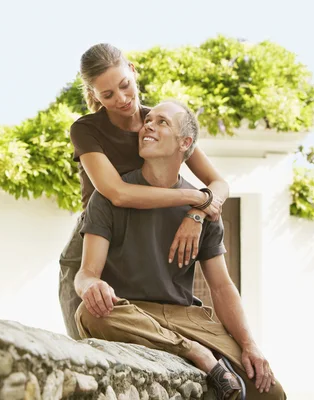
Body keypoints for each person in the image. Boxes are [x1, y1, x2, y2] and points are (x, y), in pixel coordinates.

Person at [74, 100, 285, 400]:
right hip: (130, 313)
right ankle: (195, 353)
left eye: (162, 122)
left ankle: (196, 346)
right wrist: (92, 286)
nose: (148, 125)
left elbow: (222, 287)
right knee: (90, 314)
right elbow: (85, 274)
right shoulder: (109, 198)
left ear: (185, 143)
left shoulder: (203, 210)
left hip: (187, 317)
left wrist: (249, 344)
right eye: (149, 121)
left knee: (269, 392)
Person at [59, 43, 229, 340]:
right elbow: (118, 193)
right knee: (88, 346)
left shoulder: (162, 123)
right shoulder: (86, 130)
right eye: (108, 95)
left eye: (125, 85)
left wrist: (197, 215)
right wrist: (195, 198)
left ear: (133, 72)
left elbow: (220, 184)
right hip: (94, 242)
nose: (122, 99)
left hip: (142, 243)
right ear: (94, 94)